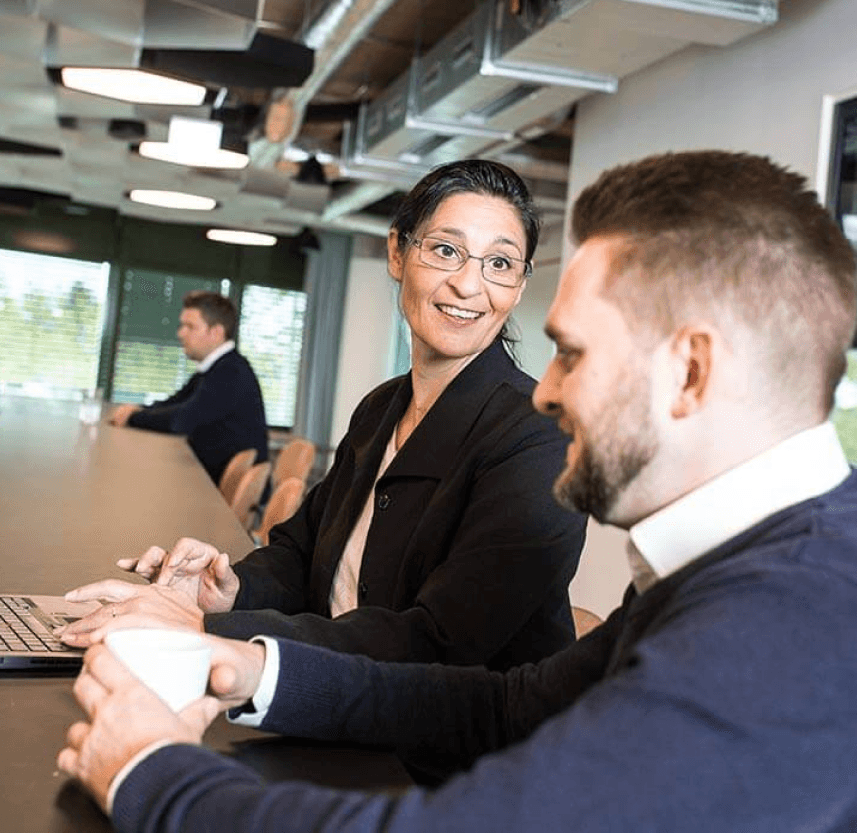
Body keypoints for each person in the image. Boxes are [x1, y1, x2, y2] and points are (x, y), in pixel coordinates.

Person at [59, 151, 857, 832]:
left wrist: (152, 772)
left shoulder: (808, 616)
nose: (545, 389)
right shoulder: (749, 549)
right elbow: (509, 708)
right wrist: (249, 667)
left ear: (689, 373)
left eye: (573, 353)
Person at [62, 160, 586, 674]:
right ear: (398, 253)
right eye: (447, 250)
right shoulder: (382, 407)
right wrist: (221, 592)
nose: (470, 286)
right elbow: (299, 553)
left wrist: (201, 630)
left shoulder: (541, 437)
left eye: (499, 263)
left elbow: (437, 643)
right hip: (328, 695)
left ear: (518, 285)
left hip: (431, 753)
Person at [108, 291, 268, 486]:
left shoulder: (230, 372)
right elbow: (176, 402)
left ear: (216, 332)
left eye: (190, 326)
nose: (180, 333)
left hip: (217, 493)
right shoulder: (215, 369)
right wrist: (137, 409)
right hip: (207, 478)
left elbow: (181, 420)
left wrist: (133, 418)